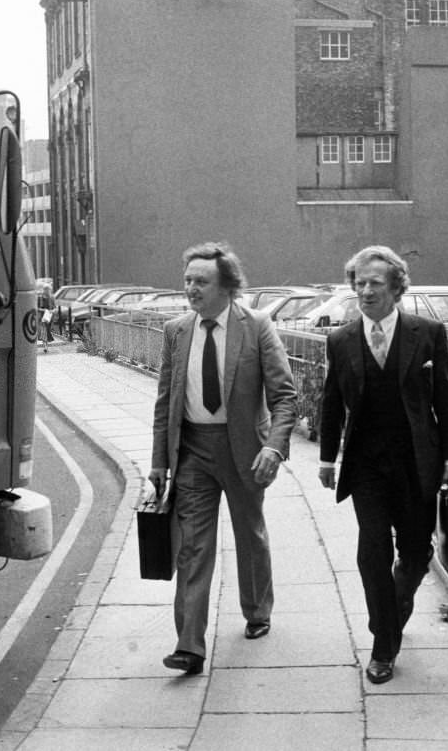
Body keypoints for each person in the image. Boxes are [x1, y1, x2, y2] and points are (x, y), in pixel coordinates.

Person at [148, 242, 297, 675]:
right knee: (194, 547)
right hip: (193, 451)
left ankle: (256, 609)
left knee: (250, 533)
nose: (191, 289)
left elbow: (284, 397)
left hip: (246, 452)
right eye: (188, 281)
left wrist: (273, 446)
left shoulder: (257, 327)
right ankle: (189, 645)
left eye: (201, 281)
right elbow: (165, 401)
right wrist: (160, 460)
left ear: (227, 286)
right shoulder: (176, 330)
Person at [318, 245, 448, 685]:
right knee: (371, 552)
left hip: (418, 462)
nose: (365, 291)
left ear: (395, 287)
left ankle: (391, 614)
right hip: (366, 466)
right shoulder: (340, 340)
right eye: (359, 283)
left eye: (375, 283)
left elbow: (445, 400)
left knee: (416, 553)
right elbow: (332, 403)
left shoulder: (427, 333)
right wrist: (327, 457)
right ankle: (383, 646)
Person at [37, 283, 56, 348]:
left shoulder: (52, 297)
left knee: (47, 331)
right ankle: (45, 346)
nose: (47, 291)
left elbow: (55, 308)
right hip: (42, 317)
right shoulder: (40, 298)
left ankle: (46, 344)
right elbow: (37, 308)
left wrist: (52, 311)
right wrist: (44, 310)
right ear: (44, 290)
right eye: (46, 289)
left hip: (49, 317)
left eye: (48, 289)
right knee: (43, 330)